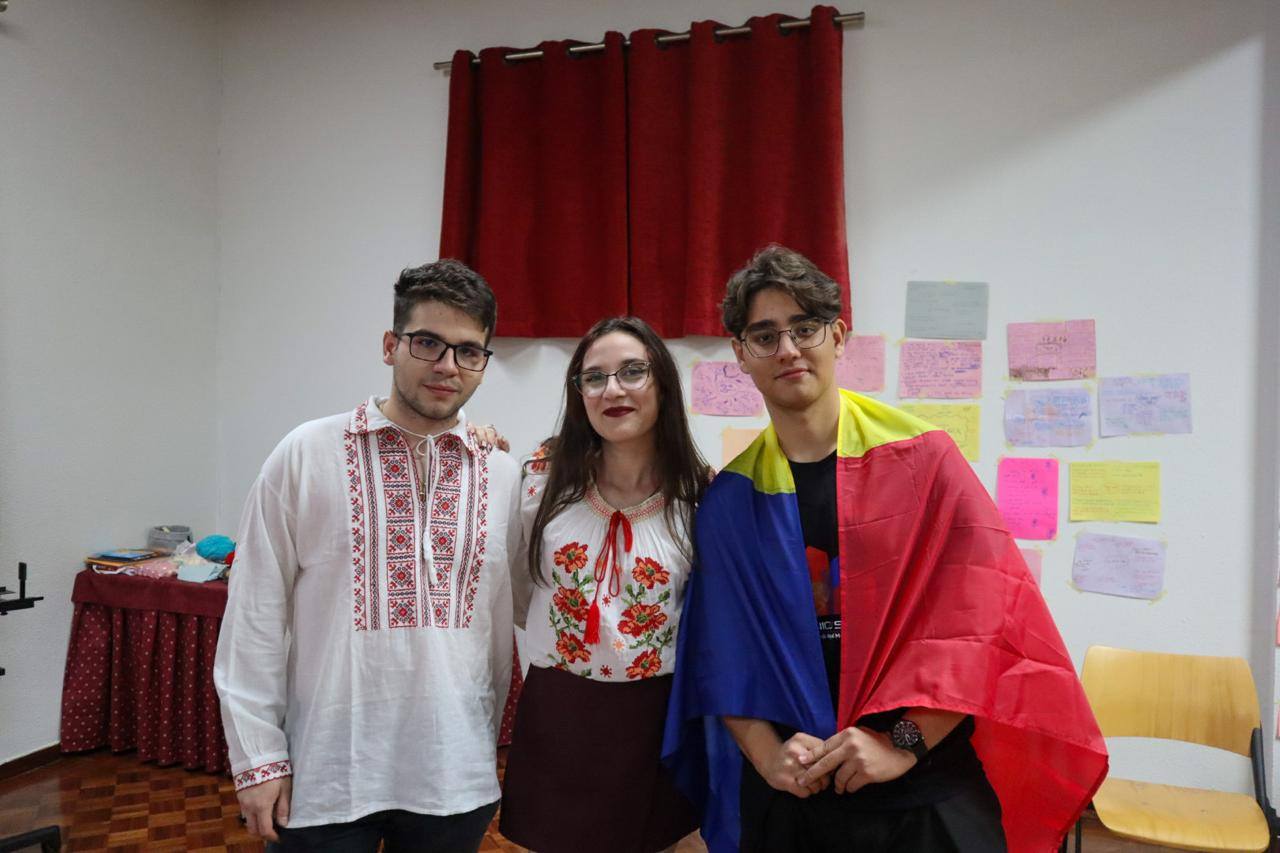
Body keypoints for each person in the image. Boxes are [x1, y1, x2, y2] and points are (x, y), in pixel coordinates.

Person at [662, 246, 1108, 852]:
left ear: (838, 336)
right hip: (795, 796)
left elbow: (982, 624)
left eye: (804, 328)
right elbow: (720, 652)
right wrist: (767, 758)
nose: (788, 349)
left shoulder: (926, 461)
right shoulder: (730, 501)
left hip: (922, 787)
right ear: (741, 354)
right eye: (764, 336)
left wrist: (901, 744)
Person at [214, 259, 522, 853]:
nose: (447, 365)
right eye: (427, 342)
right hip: (325, 775)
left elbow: (512, 621)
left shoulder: (502, 475)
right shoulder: (305, 453)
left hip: (454, 775)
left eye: (468, 351)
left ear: (483, 363)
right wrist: (258, 759)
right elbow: (254, 613)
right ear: (390, 345)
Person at [499, 317, 706, 853]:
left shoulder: (700, 497)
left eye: (632, 371)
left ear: (663, 382)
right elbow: (517, 588)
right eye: (594, 377)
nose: (612, 390)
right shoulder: (538, 479)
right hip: (560, 712)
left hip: (657, 717)